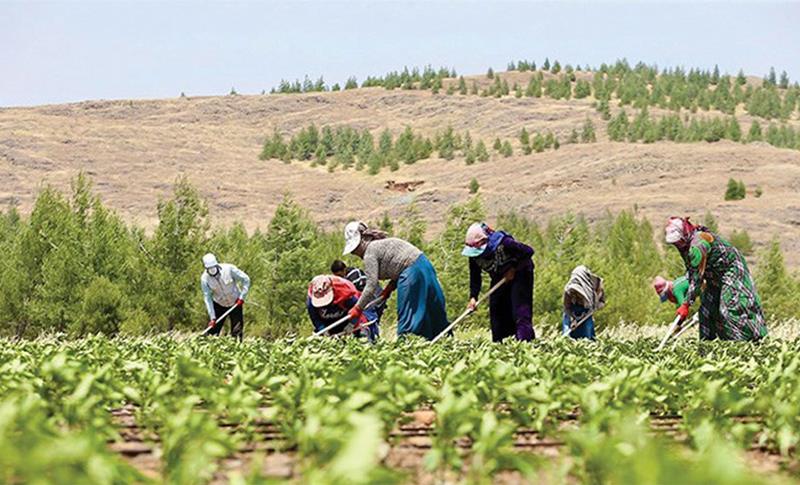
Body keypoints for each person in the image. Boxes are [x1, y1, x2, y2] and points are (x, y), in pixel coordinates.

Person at [664, 217, 767, 341]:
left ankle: (743, 344)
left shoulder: (699, 244)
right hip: (713, 275)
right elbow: (692, 272)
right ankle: (707, 348)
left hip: (731, 269)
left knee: (729, 309)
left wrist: (686, 304)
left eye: (678, 241)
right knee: (706, 311)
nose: (677, 244)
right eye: (675, 243)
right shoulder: (684, 247)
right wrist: (687, 304)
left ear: (685, 234)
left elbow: (697, 278)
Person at [343, 221, 448, 340]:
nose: (354, 253)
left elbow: (371, 285)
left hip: (412, 273)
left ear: (361, 241)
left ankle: (407, 345)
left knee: (409, 315)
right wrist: (389, 288)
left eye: (354, 249)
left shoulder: (370, 252)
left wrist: (358, 308)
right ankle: (442, 339)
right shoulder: (379, 245)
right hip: (425, 266)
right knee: (432, 308)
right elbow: (397, 264)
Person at [462, 223, 536, 342]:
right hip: (499, 275)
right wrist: (473, 297)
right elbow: (475, 276)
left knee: (519, 311)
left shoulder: (504, 243)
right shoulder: (473, 256)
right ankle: (500, 346)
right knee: (497, 312)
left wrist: (514, 268)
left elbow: (528, 251)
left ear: (483, 242)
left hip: (521, 272)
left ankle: (524, 344)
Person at [307, 275, 379, 341]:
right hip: (329, 325)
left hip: (349, 320)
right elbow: (315, 318)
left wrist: (351, 325)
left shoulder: (346, 294)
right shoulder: (311, 301)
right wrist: (323, 330)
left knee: (362, 339)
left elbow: (357, 310)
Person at [200, 253, 251, 340]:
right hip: (219, 304)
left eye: (213, 267)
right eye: (209, 269)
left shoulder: (229, 269)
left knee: (237, 331)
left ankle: (236, 348)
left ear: (217, 265)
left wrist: (242, 297)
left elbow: (246, 279)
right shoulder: (205, 279)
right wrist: (212, 317)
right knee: (212, 333)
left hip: (236, 303)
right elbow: (207, 298)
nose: (212, 270)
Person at [562, 265, 605, 340]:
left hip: (587, 314)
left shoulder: (594, 286)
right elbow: (567, 307)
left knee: (586, 337)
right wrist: (573, 320)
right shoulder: (569, 289)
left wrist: (597, 306)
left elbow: (602, 301)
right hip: (572, 313)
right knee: (568, 337)